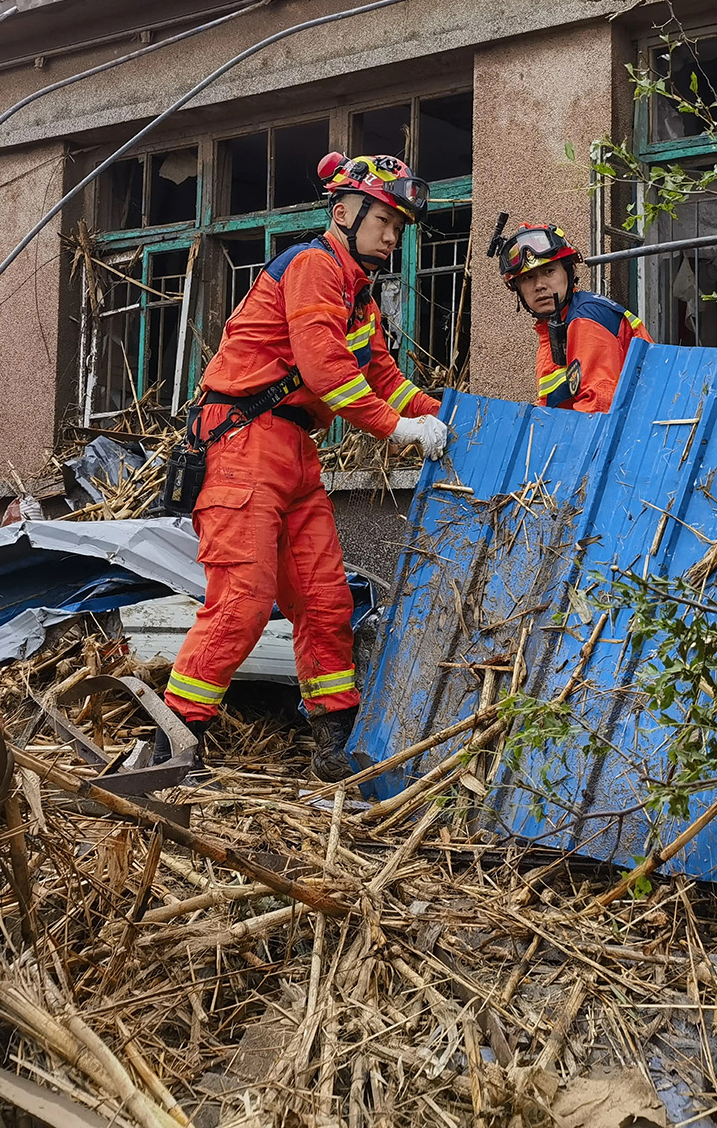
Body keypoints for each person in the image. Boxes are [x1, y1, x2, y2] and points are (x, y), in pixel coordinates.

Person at [164, 151, 450, 779]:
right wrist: (401, 430)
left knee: (325, 602)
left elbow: (383, 378)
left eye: (400, 227)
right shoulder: (315, 266)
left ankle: (333, 743)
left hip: (294, 451)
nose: (393, 235)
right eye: (386, 220)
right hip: (243, 444)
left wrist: (452, 417)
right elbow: (328, 374)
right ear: (344, 212)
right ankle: (173, 742)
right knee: (242, 600)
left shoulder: (359, 295)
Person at [494, 220, 647, 414]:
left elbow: (598, 405)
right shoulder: (555, 327)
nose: (539, 285)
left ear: (570, 271)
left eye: (549, 271)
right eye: (528, 278)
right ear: (518, 289)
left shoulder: (585, 318)